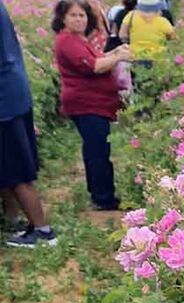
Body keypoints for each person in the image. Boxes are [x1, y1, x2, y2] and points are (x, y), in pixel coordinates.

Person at [53, 0, 132, 211]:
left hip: (92, 103)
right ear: (63, 18)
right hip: (86, 103)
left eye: (82, 15)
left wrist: (114, 53)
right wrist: (118, 57)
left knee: (95, 148)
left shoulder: (78, 39)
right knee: (98, 151)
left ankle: (100, 193)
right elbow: (95, 66)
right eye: (73, 15)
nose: (79, 20)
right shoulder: (67, 41)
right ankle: (104, 198)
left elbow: (97, 58)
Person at [0, 0, 57, 247]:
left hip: (4, 101)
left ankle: (43, 231)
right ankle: (12, 219)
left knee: (17, 170)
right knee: (8, 165)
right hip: (14, 91)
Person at [120, 0, 173, 66]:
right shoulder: (163, 21)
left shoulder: (131, 16)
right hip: (157, 60)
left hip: (136, 58)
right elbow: (171, 37)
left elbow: (122, 35)